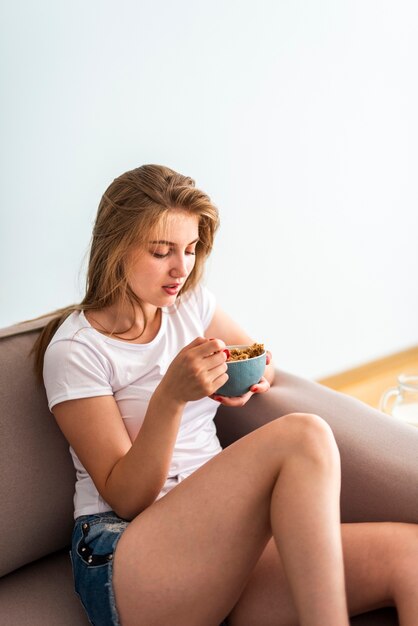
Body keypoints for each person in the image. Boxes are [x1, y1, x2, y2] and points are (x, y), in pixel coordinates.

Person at [33, 164, 418, 626]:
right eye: (161, 252)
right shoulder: (76, 351)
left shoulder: (189, 304)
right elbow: (127, 497)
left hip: (221, 547)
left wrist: (249, 378)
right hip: (129, 556)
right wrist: (170, 398)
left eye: (191, 249)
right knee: (304, 435)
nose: (181, 268)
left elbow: (259, 357)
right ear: (116, 248)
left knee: (410, 557)